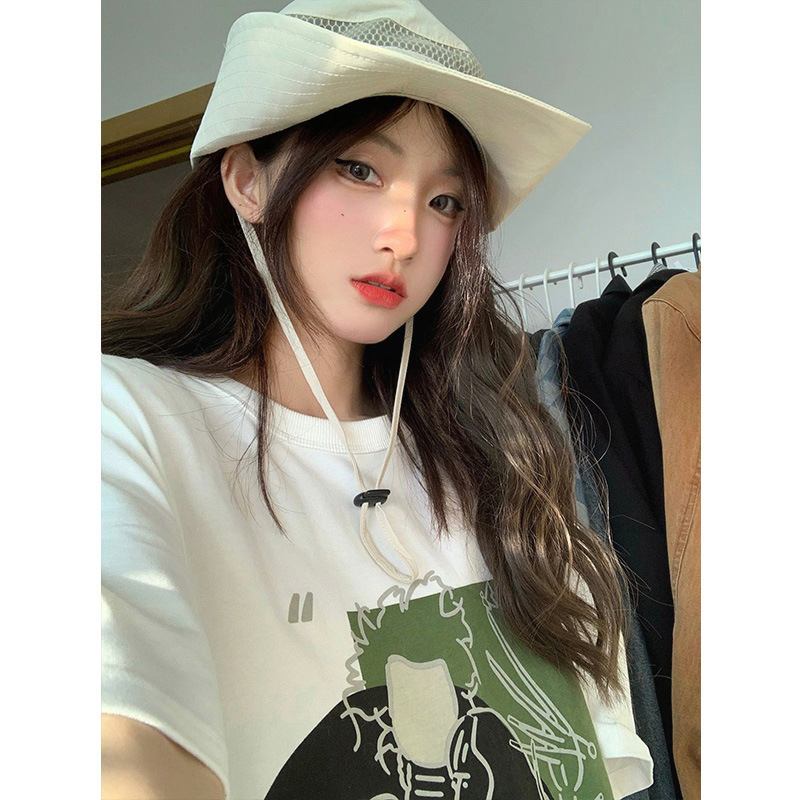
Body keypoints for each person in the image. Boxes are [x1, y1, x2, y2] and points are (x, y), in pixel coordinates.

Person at [101, 1, 654, 798]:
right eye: (359, 169)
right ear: (248, 180)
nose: (405, 236)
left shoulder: (506, 448)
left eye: (444, 201)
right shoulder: (123, 420)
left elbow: (592, 767)